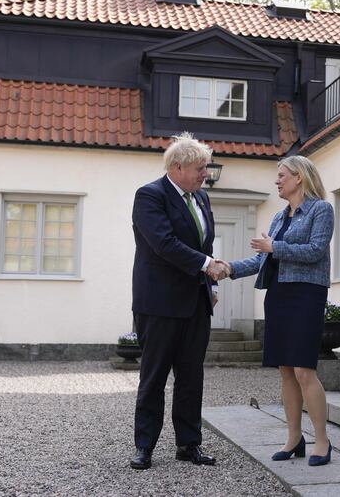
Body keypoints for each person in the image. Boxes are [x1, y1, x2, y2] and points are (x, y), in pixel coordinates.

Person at [225, 155, 335, 467]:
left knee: (303, 369)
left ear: (299, 177)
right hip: (279, 294)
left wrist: (276, 248)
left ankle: (322, 440)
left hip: (307, 294)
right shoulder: (277, 218)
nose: (277, 180)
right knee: (285, 370)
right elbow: (263, 260)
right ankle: (293, 438)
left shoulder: (320, 209)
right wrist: (228, 268)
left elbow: (315, 251)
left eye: (282, 175)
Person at [129, 132, 229, 470]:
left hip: (196, 303)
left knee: (191, 378)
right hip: (158, 304)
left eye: (206, 167)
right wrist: (206, 266)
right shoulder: (149, 196)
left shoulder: (201, 200)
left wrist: (210, 286)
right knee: (153, 378)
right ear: (177, 167)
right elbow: (164, 243)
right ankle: (144, 446)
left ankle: (189, 444)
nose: (205, 173)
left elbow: (202, 246)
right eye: (200, 168)